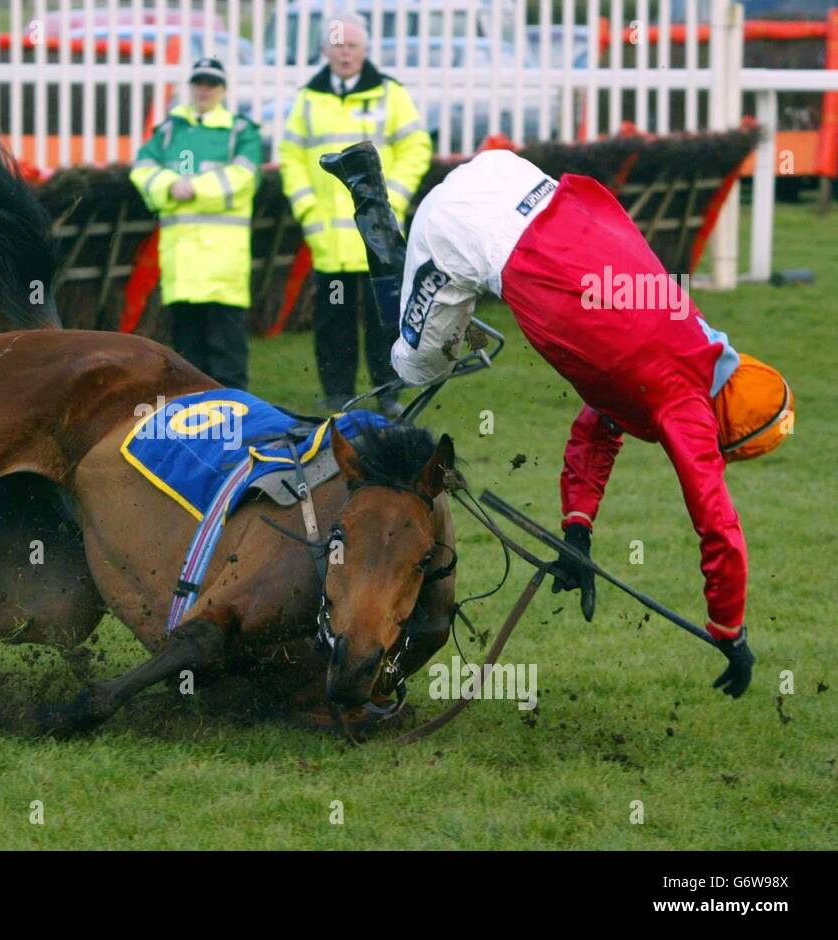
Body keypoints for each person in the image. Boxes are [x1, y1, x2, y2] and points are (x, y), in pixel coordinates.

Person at [321, 140, 796, 699]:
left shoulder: (688, 334)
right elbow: (718, 528)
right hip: (463, 230)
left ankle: (433, 299)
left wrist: (578, 533)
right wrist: (729, 630)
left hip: (516, 178)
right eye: (726, 452)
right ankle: (369, 193)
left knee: (442, 340)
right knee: (414, 365)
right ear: (726, 431)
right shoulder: (686, 410)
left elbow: (600, 428)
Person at [278, 10, 432, 416]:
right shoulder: (308, 99)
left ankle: (389, 393)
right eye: (338, 46)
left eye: (352, 46)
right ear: (325, 51)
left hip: (375, 233)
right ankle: (337, 394)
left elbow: (416, 147)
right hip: (330, 236)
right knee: (334, 320)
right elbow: (291, 157)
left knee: (385, 318)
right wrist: (308, 209)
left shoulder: (389, 94)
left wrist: (390, 199)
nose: (345, 54)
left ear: (364, 50)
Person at [130, 57, 262, 389]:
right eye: (199, 82)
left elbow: (245, 177)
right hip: (183, 262)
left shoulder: (240, 131)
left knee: (226, 348)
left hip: (223, 262)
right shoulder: (168, 129)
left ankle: (235, 413)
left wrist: (192, 188)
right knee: (187, 350)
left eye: (212, 83)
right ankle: (193, 412)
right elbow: (142, 170)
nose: (205, 89)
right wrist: (169, 186)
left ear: (223, 89)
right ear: (191, 87)